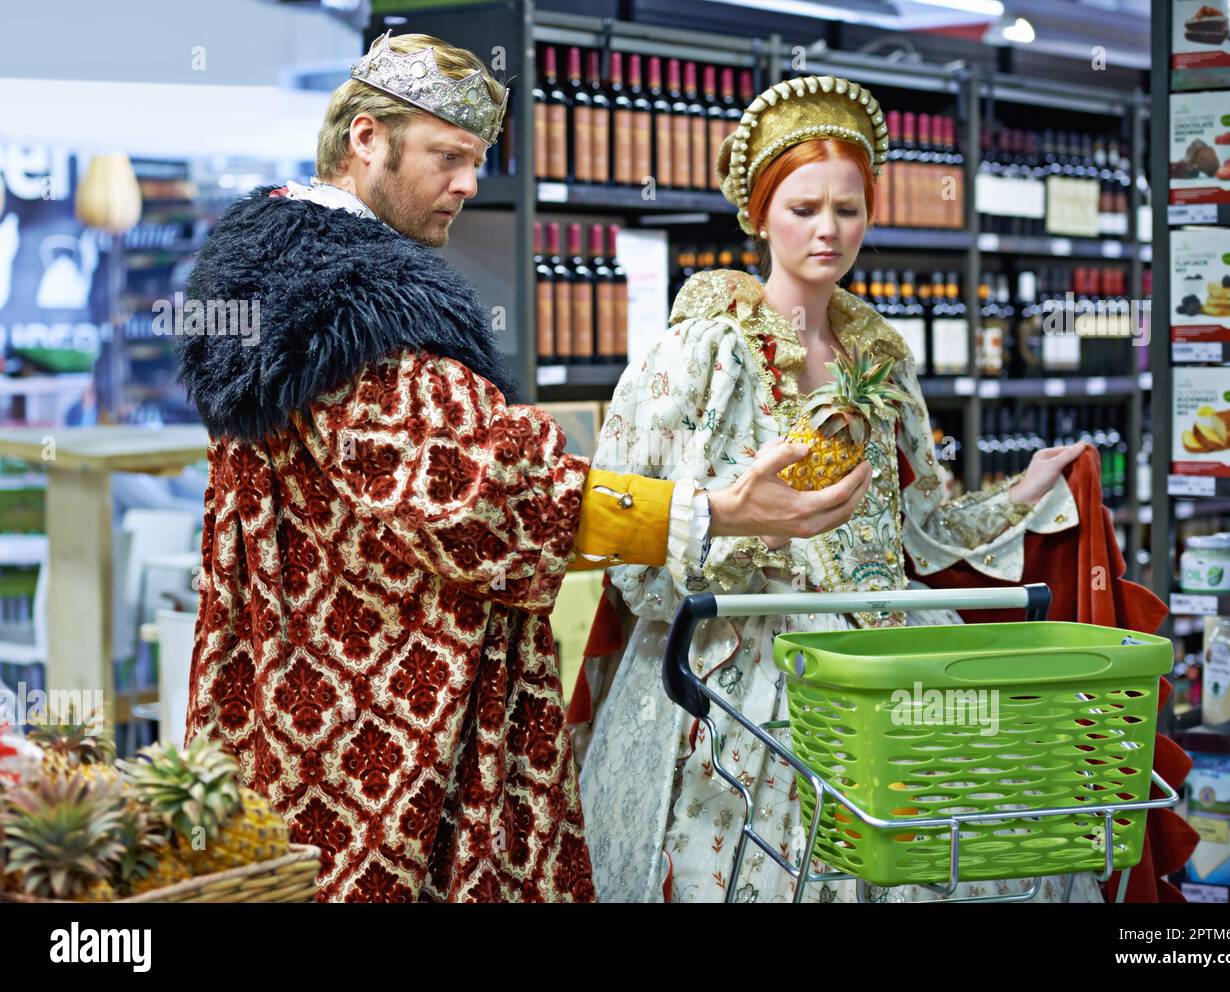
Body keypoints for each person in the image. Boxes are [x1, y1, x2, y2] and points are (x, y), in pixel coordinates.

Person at [175, 35, 873, 903]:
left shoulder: (276, 296)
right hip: (393, 738)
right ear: (365, 139)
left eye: (478, 160)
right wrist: (712, 510)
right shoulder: (350, 320)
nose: (468, 184)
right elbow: (488, 495)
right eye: (448, 157)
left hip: (306, 705)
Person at [572, 74, 1097, 903]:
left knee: (945, 859)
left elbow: (921, 532)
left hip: (892, 656)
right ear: (757, 214)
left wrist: (1024, 490)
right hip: (746, 665)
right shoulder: (700, 354)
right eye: (803, 208)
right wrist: (748, 528)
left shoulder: (881, 363)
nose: (827, 230)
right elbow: (628, 558)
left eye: (847, 210)